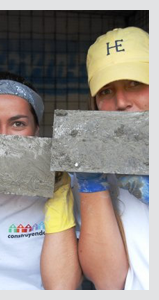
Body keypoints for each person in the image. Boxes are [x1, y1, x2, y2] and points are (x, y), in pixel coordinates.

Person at [0, 72, 82, 290]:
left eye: (17, 124)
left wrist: (59, 196)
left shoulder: (68, 186)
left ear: (36, 129)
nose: (4, 137)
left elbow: (63, 287)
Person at [73, 27, 149, 290]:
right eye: (106, 91)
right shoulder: (95, 173)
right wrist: (92, 184)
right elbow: (108, 282)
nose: (121, 102)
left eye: (134, 83)